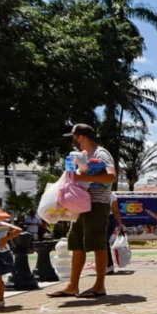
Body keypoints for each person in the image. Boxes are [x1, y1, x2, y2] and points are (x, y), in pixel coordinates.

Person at [47, 123, 116, 299]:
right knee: (76, 244)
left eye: (75, 137)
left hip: (96, 204)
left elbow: (111, 176)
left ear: (81, 137)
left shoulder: (101, 153)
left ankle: (99, 286)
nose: (74, 141)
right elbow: (73, 176)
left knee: (97, 244)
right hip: (79, 204)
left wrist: (81, 176)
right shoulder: (79, 156)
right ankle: (72, 285)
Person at [104, 193, 126, 274]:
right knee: (102, 242)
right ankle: (105, 264)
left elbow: (115, 211)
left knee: (104, 241)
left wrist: (120, 223)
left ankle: (109, 265)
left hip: (108, 219)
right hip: (98, 219)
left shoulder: (111, 195)